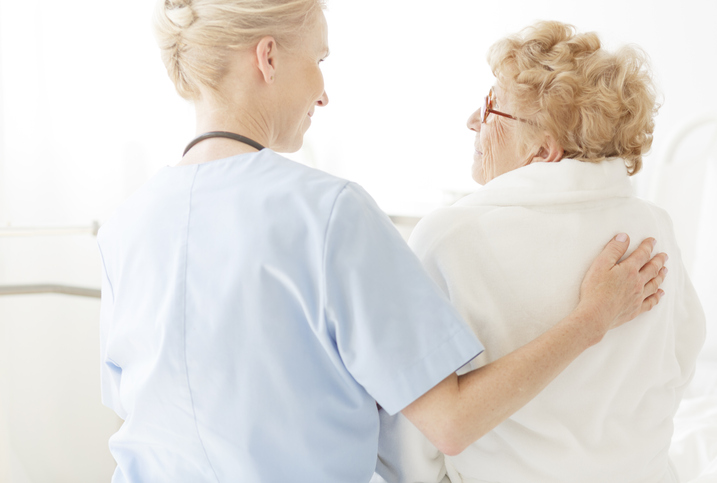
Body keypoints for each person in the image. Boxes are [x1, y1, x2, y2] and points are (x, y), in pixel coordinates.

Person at [97, 3, 667, 482]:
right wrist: (592, 318)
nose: (323, 95)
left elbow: (134, 404)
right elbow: (450, 422)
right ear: (268, 58)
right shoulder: (329, 212)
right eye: (319, 61)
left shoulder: (126, 223)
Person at [375, 21, 705, 483]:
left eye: (492, 106)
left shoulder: (451, 237)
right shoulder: (653, 229)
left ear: (543, 149)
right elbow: (681, 361)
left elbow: (413, 438)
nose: (473, 119)